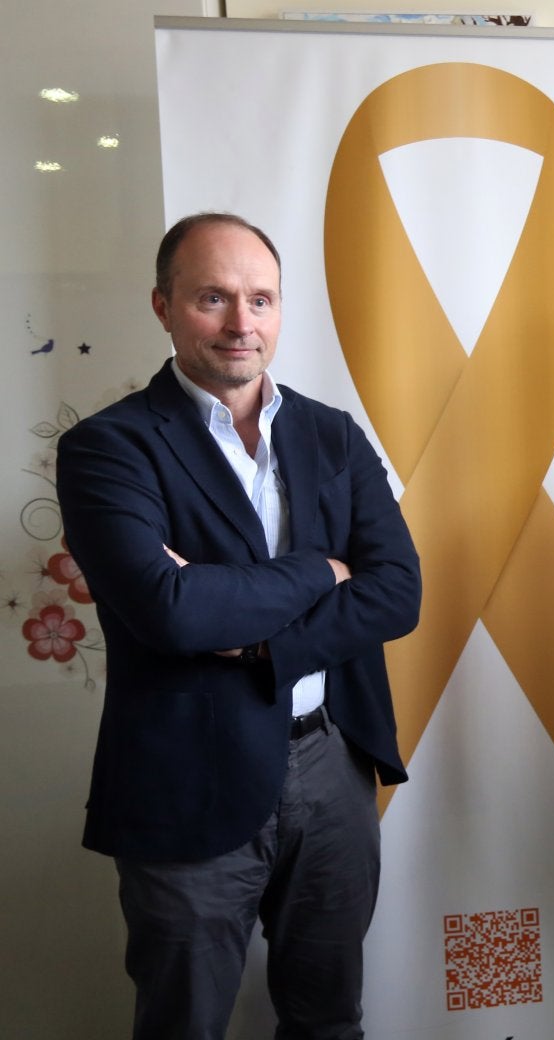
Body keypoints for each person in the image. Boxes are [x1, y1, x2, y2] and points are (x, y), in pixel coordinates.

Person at [56, 213, 421, 1039]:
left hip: (330, 764)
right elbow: (170, 609)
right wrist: (322, 571)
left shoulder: (331, 433)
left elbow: (398, 592)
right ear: (163, 306)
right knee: (185, 1022)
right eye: (212, 298)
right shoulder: (107, 449)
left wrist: (259, 635)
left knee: (329, 1018)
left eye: (261, 299)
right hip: (185, 775)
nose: (240, 323)